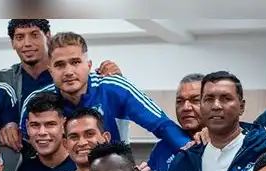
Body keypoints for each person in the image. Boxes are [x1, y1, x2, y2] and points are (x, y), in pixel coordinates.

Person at [18, 32, 189, 151]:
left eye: (75, 62)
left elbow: (162, 125)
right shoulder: (37, 100)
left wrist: (196, 154)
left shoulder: (115, 88)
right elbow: (24, 143)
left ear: (89, 65)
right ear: (50, 71)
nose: (68, 71)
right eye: (60, 65)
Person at [148, 73, 205, 171]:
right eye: (180, 101)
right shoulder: (163, 147)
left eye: (195, 100)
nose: (185, 107)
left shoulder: (221, 143)